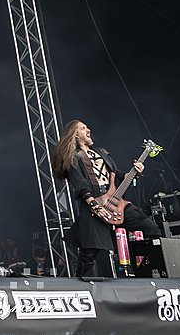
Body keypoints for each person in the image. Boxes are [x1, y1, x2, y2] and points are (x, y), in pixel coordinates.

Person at [52, 119, 160, 277]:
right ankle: (77, 282)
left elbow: (116, 175)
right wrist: (93, 205)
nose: (88, 130)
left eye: (87, 127)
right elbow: (80, 183)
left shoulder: (102, 152)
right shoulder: (73, 157)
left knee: (152, 229)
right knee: (89, 252)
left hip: (117, 202)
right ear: (75, 135)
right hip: (95, 204)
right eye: (83, 128)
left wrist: (135, 172)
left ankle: (144, 270)